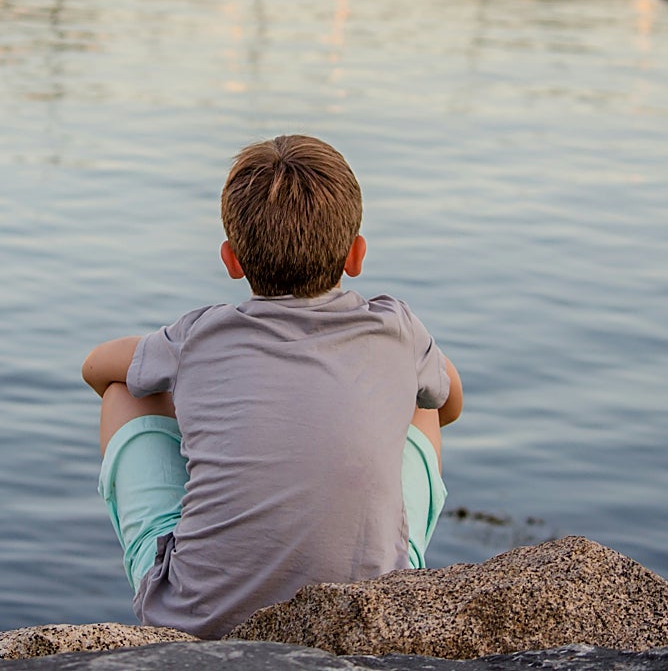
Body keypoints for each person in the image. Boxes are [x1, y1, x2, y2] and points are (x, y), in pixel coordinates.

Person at [82, 134, 464, 639]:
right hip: (371, 612)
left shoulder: (198, 336)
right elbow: (451, 401)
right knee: (423, 402)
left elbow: (96, 368)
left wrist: (201, 408)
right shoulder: (397, 328)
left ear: (231, 259)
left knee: (124, 391)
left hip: (198, 620)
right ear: (357, 255)